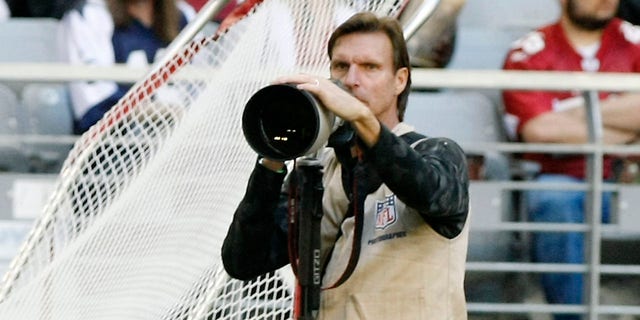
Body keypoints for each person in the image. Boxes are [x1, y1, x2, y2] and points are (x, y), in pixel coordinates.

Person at [222, 11, 470, 320]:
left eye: (370, 67)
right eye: (341, 66)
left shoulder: (437, 153)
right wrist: (273, 156)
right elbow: (243, 261)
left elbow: (427, 190)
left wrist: (361, 118)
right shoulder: (318, 171)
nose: (352, 80)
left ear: (400, 80)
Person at [502, 1, 640, 319]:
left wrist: (576, 110)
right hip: (563, 178)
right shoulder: (530, 52)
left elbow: (554, 123)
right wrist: (625, 131)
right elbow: (540, 130)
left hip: (628, 179)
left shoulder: (634, 41)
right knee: (554, 198)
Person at [58, 0, 195, 135]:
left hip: (180, 142)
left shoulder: (186, 16)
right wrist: (155, 111)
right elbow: (93, 108)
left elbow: (201, 89)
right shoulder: (89, 13)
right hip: (115, 148)